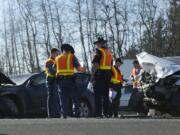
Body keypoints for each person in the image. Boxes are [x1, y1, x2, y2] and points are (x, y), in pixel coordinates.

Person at [55, 44, 85, 118]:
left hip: (60, 81)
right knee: (74, 97)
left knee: (63, 98)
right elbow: (78, 68)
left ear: (63, 50)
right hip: (70, 80)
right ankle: (76, 113)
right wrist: (83, 69)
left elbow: (54, 69)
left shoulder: (57, 58)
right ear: (70, 51)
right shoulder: (72, 56)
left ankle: (64, 114)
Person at [92, 37, 112, 118]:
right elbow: (110, 65)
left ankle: (98, 113)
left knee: (98, 95)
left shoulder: (99, 51)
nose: (96, 45)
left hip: (100, 75)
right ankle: (106, 113)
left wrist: (92, 75)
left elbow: (96, 64)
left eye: (97, 44)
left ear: (99, 44)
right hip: (107, 75)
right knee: (106, 95)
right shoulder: (109, 53)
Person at [45, 48, 60, 118]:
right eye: (56, 54)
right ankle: (51, 115)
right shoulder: (49, 61)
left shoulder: (55, 61)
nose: (57, 55)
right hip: (50, 80)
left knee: (56, 98)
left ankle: (57, 114)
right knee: (51, 97)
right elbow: (52, 71)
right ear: (52, 53)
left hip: (55, 80)